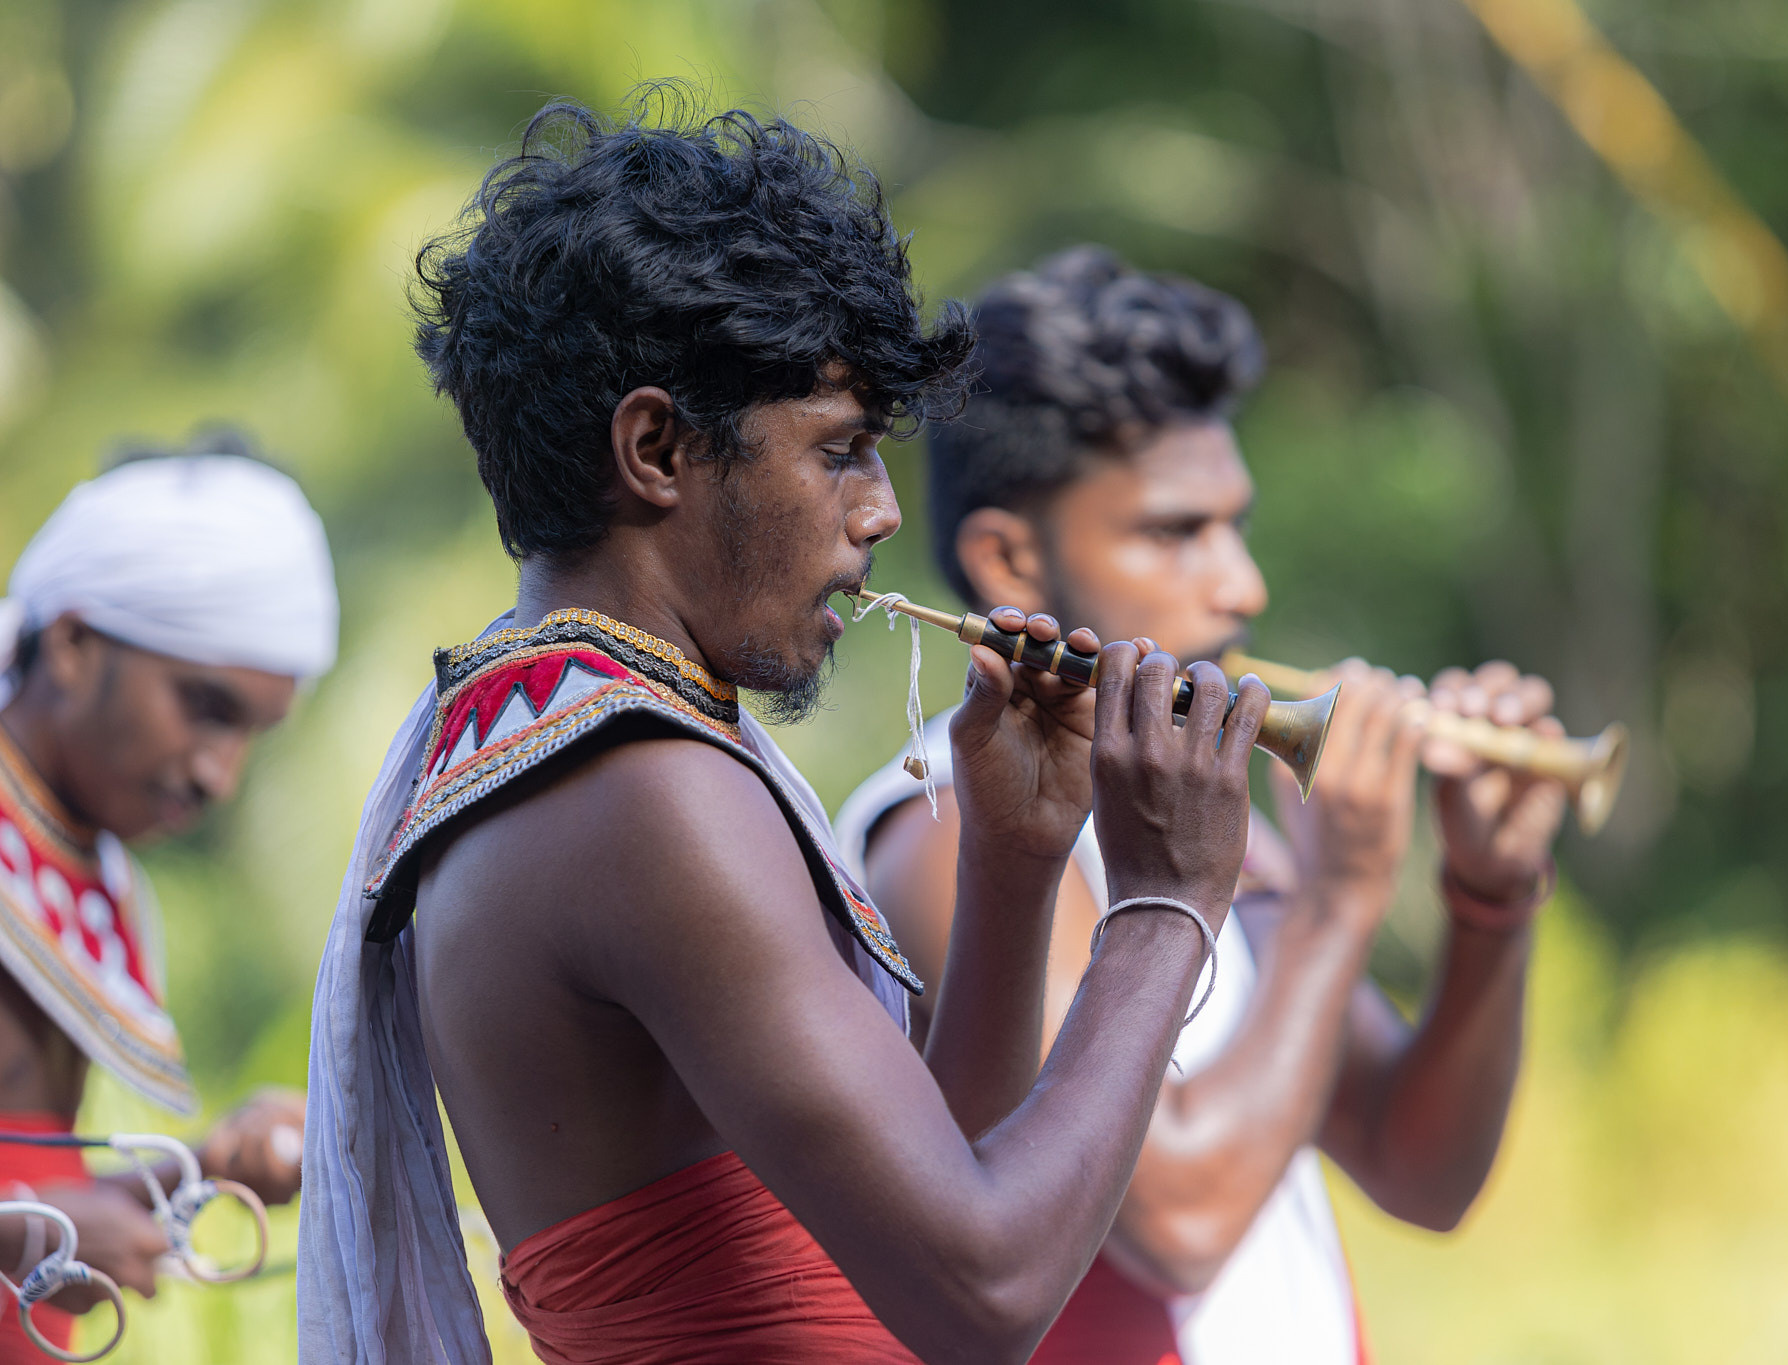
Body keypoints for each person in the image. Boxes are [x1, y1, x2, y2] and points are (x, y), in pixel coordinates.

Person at [299, 94, 1274, 1365]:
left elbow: (937, 1189)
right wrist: (1165, 906)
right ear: (655, 447)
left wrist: (1015, 857)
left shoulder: (565, 737)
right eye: (842, 450)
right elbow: (983, 1298)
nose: (878, 513)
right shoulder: (639, 791)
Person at [838, 246, 1572, 1365]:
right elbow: (1177, 1223)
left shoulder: (1186, 800)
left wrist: (1488, 897)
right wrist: (1334, 903)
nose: (1242, 586)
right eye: (1175, 532)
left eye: (1234, 524)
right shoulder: (947, 829)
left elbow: (1416, 1170)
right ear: (1008, 562)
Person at [0, 432, 336, 1357]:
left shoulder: (95, 883)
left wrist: (202, 1169)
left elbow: (31, 1186)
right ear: (70, 642)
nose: (221, 775)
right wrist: (33, 1230)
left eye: (251, 734)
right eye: (205, 707)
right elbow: (27, 1214)